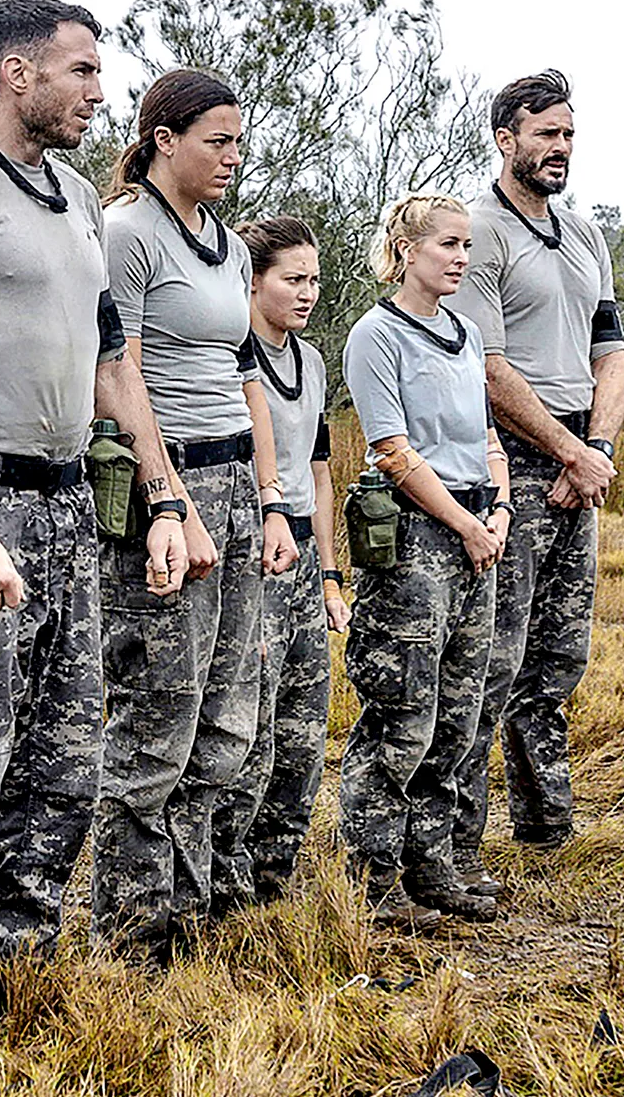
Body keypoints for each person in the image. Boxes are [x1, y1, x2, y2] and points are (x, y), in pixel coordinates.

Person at [0, 0, 187, 1020]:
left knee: (63, 768)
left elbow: (112, 365)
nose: (102, 93)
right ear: (19, 73)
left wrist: (163, 495)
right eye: (84, 72)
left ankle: (7, 979)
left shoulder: (75, 198)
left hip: (68, 511)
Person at [92, 68, 299, 958]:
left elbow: (243, 378)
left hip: (234, 489)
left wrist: (269, 498)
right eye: (216, 140)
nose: (232, 157)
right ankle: (133, 930)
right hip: (161, 493)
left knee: (229, 716)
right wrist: (169, 498)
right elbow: (118, 374)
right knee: (159, 719)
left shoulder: (222, 238)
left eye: (239, 142)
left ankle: (194, 900)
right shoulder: (127, 232)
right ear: (163, 138)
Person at [444, 70, 624, 892]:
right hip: (507, 463)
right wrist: (562, 452)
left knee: (559, 654)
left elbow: (613, 353)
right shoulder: (477, 233)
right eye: (545, 133)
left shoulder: (586, 235)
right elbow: (486, 369)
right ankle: (454, 838)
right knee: (493, 652)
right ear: (505, 139)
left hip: (580, 461)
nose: (560, 148)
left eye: (568, 134)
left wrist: (594, 451)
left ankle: (546, 823)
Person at [341, 194, 510, 926]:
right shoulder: (377, 335)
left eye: (467, 246)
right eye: (448, 244)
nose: (461, 258)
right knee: (402, 710)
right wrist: (465, 525)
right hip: (414, 538)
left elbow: (489, 439)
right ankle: (374, 875)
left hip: (476, 530)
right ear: (407, 250)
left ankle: (431, 860)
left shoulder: (467, 332)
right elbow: (393, 451)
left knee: (460, 710)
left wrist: (497, 513)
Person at [220, 215, 348, 903]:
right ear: (254, 279)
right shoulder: (231, 355)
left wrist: (330, 575)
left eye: (315, 280)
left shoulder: (314, 361)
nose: (307, 294)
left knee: (304, 726)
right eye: (292, 280)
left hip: (302, 554)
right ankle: (224, 877)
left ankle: (274, 878)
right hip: (250, 551)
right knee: (251, 727)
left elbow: (319, 472)